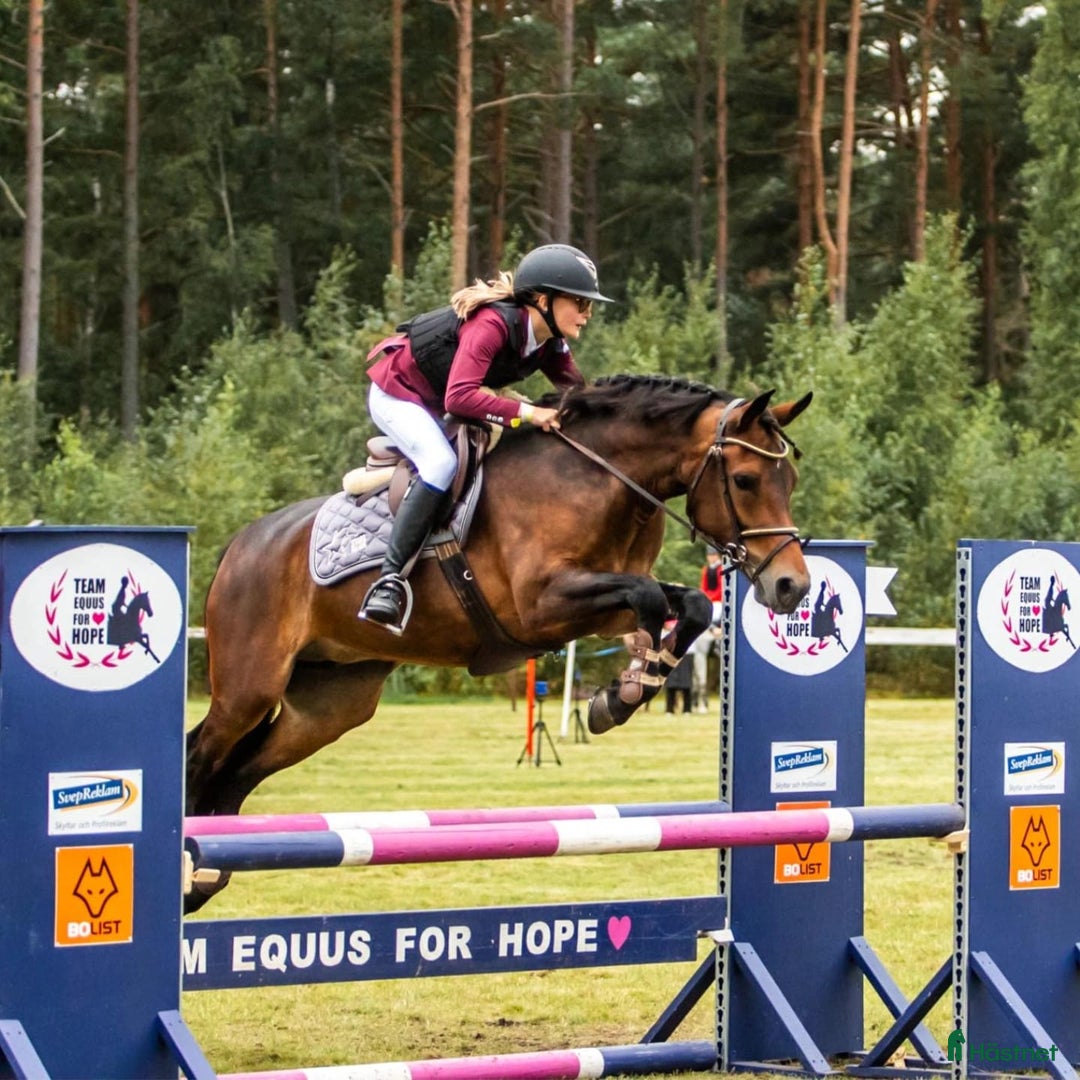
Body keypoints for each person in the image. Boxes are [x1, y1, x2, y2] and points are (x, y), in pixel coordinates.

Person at [359, 244, 613, 629]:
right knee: (440, 463)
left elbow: (577, 396)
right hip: (399, 394)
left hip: (438, 401)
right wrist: (528, 412)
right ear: (543, 300)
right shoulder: (492, 325)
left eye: (588, 305)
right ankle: (388, 581)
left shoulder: (549, 343)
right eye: (579, 302)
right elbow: (459, 397)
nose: (587, 314)